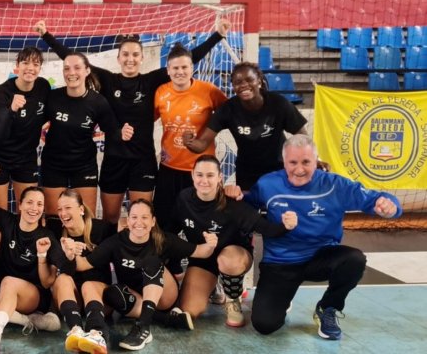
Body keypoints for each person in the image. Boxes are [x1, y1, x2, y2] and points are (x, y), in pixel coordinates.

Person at [36, 20, 229, 224]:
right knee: (110, 219)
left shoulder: (151, 81)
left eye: (135, 55)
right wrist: (46, 35)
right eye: (126, 54)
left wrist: (217, 35)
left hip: (142, 161)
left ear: (142, 58)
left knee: (141, 218)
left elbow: (188, 59)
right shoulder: (108, 80)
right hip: (114, 160)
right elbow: (73, 59)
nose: (130, 59)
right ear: (118, 58)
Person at [243, 134, 401, 339]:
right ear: (284, 161)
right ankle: (283, 297)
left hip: (320, 257)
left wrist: (390, 206)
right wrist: (233, 195)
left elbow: (375, 199)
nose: (299, 169)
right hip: (280, 262)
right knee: (265, 325)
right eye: (293, 162)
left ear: (316, 160)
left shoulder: (335, 185)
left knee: (354, 259)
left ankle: (328, 308)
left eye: (306, 162)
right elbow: (246, 206)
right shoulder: (267, 184)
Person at [64, 199, 218, 351]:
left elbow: (201, 252)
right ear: (128, 221)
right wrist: (70, 253)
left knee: (150, 261)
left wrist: (210, 244)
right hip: (139, 297)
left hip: (164, 297)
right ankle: (167, 320)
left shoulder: (163, 239)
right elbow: (84, 264)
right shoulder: (116, 242)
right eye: (134, 217)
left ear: (153, 221)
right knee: (112, 293)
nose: (139, 222)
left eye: (144, 217)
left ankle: (143, 327)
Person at [170, 155, 297, 329]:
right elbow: (171, 231)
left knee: (228, 261)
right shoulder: (184, 198)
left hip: (233, 256)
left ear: (219, 177)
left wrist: (286, 226)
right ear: (192, 175)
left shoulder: (232, 203)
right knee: (189, 310)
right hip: (203, 260)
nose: (204, 180)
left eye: (210, 175)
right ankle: (214, 287)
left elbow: (265, 228)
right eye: (199, 175)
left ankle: (233, 297)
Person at [0, 161, 74, 354]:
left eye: (39, 204)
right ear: (20, 205)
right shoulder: (7, 221)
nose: (34, 208)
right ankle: (29, 321)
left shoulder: (45, 236)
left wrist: (68, 255)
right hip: (6, 295)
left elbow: (65, 267)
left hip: (33, 298)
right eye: (30, 202)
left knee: (9, 281)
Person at [39, 51, 132, 232]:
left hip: (84, 166)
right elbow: (33, 122)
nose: (71, 72)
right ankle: (57, 250)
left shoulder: (97, 101)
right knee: (54, 220)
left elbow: (112, 129)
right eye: (67, 68)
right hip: (53, 165)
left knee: (86, 218)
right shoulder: (53, 97)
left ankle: (86, 250)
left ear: (87, 71)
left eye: (77, 68)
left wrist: (122, 133)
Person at [183, 62, 308, 190]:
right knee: (247, 203)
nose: (243, 85)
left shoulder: (279, 104)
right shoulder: (228, 109)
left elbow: (303, 138)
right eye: (238, 82)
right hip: (246, 174)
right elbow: (202, 144)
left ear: (259, 81)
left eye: (249, 80)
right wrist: (189, 142)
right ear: (233, 86)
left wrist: (309, 160)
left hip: (278, 170)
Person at [153, 43, 228, 231]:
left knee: (203, 224)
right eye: (175, 68)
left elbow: (230, 114)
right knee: (164, 223)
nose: (180, 72)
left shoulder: (209, 90)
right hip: (169, 168)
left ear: (192, 68)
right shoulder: (160, 92)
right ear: (168, 70)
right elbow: (144, 121)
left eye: (184, 67)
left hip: (200, 171)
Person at [50, 189, 116, 353]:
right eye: (59, 209)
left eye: (67, 208)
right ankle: (76, 330)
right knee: (62, 278)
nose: (62, 213)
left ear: (81, 209)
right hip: (73, 301)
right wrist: (69, 254)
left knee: (88, 285)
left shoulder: (102, 229)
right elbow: (65, 269)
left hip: (99, 299)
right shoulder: (57, 233)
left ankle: (98, 334)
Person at [0, 46, 50, 210]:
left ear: (40, 68)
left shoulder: (43, 86)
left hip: (26, 158)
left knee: (29, 211)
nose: (30, 68)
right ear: (17, 66)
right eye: (25, 63)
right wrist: (12, 110)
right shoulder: (3, 91)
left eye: (35, 64)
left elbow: (46, 114)